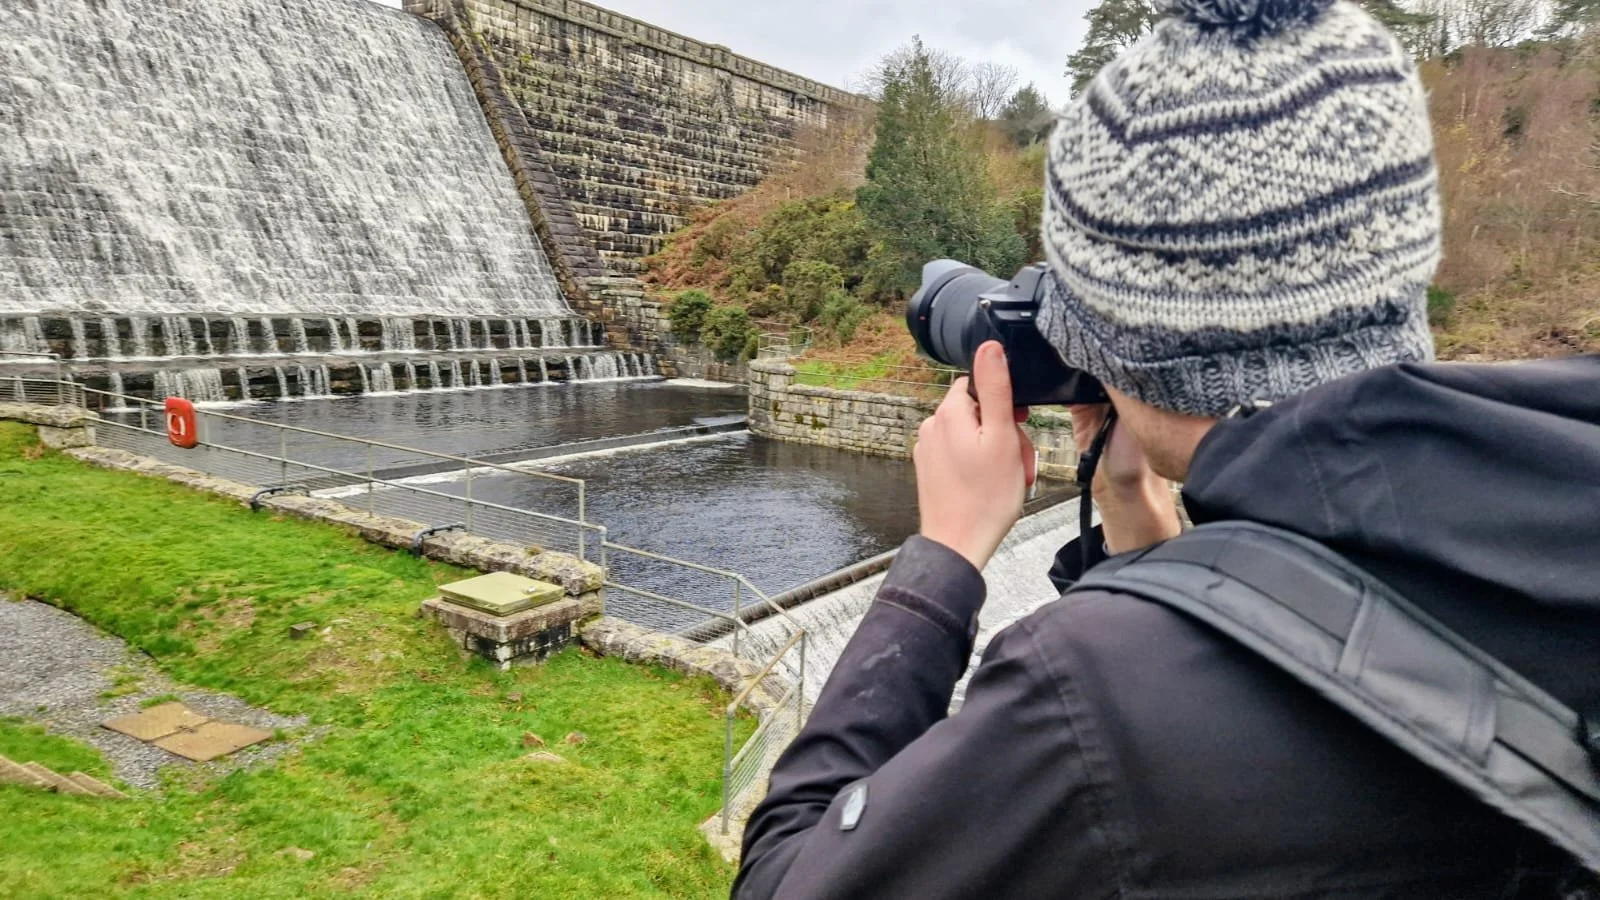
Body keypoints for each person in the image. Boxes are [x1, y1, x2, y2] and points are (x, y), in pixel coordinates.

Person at [732, 0, 1600, 896]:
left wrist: (943, 559)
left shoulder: (1085, 701)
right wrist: (1148, 541)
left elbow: (786, 880)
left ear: (1120, 346)